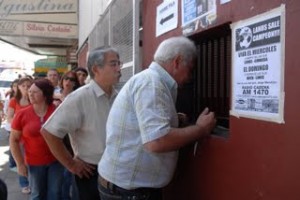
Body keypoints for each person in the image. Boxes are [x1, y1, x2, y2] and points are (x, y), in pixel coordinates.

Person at [98, 36, 217, 200]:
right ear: (176, 62)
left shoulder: (150, 80)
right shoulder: (151, 84)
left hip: (126, 189)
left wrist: (174, 118)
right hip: (129, 192)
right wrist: (201, 129)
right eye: (189, 69)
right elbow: (157, 141)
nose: (190, 77)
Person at [41, 47, 122, 200]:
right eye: (113, 64)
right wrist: (71, 164)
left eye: (119, 63)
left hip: (117, 172)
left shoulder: (119, 96)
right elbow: (49, 132)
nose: (119, 68)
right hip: (91, 172)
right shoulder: (80, 97)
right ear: (96, 69)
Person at [10, 78, 64, 200]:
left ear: (45, 94)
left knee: (55, 194)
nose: (30, 94)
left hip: (57, 161)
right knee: (37, 195)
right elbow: (13, 140)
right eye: (30, 91)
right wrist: (19, 164)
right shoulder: (22, 114)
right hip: (34, 163)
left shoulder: (57, 110)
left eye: (35, 92)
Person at [6, 77, 32, 194]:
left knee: (31, 161)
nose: (26, 88)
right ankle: (24, 183)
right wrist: (20, 124)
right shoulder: (13, 101)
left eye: (28, 85)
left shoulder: (34, 99)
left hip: (32, 136)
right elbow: (9, 118)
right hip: (18, 136)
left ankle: (32, 182)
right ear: (19, 87)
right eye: (23, 86)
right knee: (20, 161)